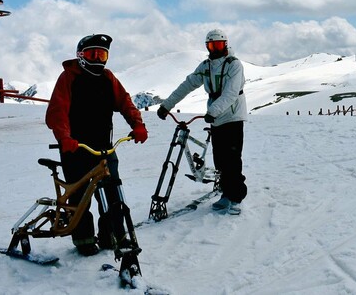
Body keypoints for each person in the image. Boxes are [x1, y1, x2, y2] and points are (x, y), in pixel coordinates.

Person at [45, 34, 148, 256]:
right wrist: (65, 138)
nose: (98, 59)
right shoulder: (68, 78)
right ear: (81, 56)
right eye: (93, 54)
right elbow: (57, 112)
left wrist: (137, 124)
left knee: (113, 192)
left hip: (104, 147)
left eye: (103, 55)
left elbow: (125, 103)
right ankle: (84, 239)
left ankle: (113, 235)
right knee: (80, 196)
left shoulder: (108, 78)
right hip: (76, 148)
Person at [157, 29, 247, 215]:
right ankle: (225, 194)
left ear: (226, 44)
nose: (215, 49)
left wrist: (213, 111)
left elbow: (231, 93)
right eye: (212, 45)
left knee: (232, 160)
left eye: (219, 45)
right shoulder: (206, 66)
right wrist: (167, 105)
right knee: (220, 159)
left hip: (232, 116)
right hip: (216, 118)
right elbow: (187, 85)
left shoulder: (234, 65)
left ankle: (236, 197)